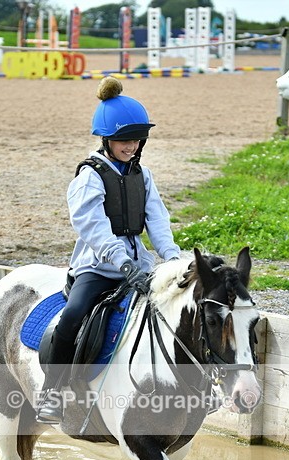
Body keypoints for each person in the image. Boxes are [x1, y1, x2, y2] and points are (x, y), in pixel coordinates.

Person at [36, 76, 180, 423]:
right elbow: (92, 226)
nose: (131, 146)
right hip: (97, 266)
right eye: (123, 141)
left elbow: (156, 219)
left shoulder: (142, 175)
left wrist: (172, 257)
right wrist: (120, 260)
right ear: (107, 139)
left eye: (136, 140)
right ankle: (52, 392)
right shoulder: (89, 176)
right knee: (73, 315)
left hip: (138, 263)